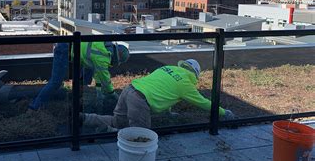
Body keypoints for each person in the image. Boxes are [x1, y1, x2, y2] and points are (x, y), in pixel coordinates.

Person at [82, 59, 235, 131]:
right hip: (140, 100)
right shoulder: (186, 85)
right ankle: (109, 132)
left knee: (118, 120)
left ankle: (85, 118)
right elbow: (205, 103)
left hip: (129, 89)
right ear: (195, 75)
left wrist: (169, 112)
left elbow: (163, 89)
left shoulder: (168, 68)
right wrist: (223, 112)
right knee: (140, 135)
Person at [29, 41, 130, 110]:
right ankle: (35, 106)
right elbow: (105, 79)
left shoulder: (105, 47)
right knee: (55, 82)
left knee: (87, 76)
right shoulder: (103, 57)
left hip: (71, 48)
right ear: (118, 57)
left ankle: (78, 96)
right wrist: (112, 94)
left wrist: (99, 93)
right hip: (64, 49)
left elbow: (98, 75)